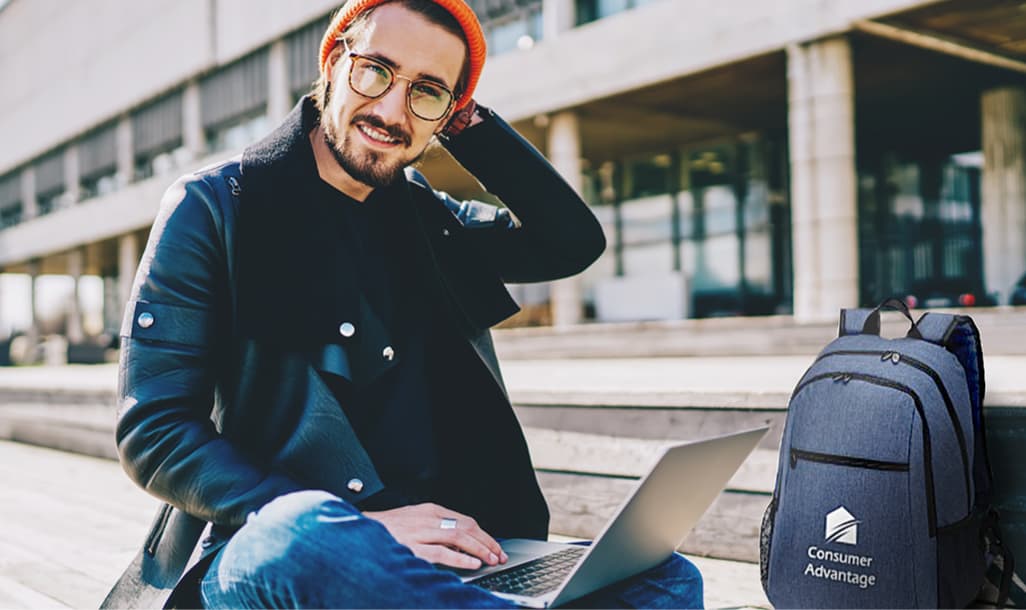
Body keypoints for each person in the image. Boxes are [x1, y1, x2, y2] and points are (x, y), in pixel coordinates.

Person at [101, 0, 704, 607]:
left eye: (427, 93)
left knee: (665, 575)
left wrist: (470, 123)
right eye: (376, 71)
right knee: (303, 537)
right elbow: (155, 432)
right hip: (282, 550)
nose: (392, 110)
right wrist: (361, 526)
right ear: (334, 62)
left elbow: (569, 243)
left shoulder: (427, 218)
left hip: (448, 562)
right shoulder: (216, 208)